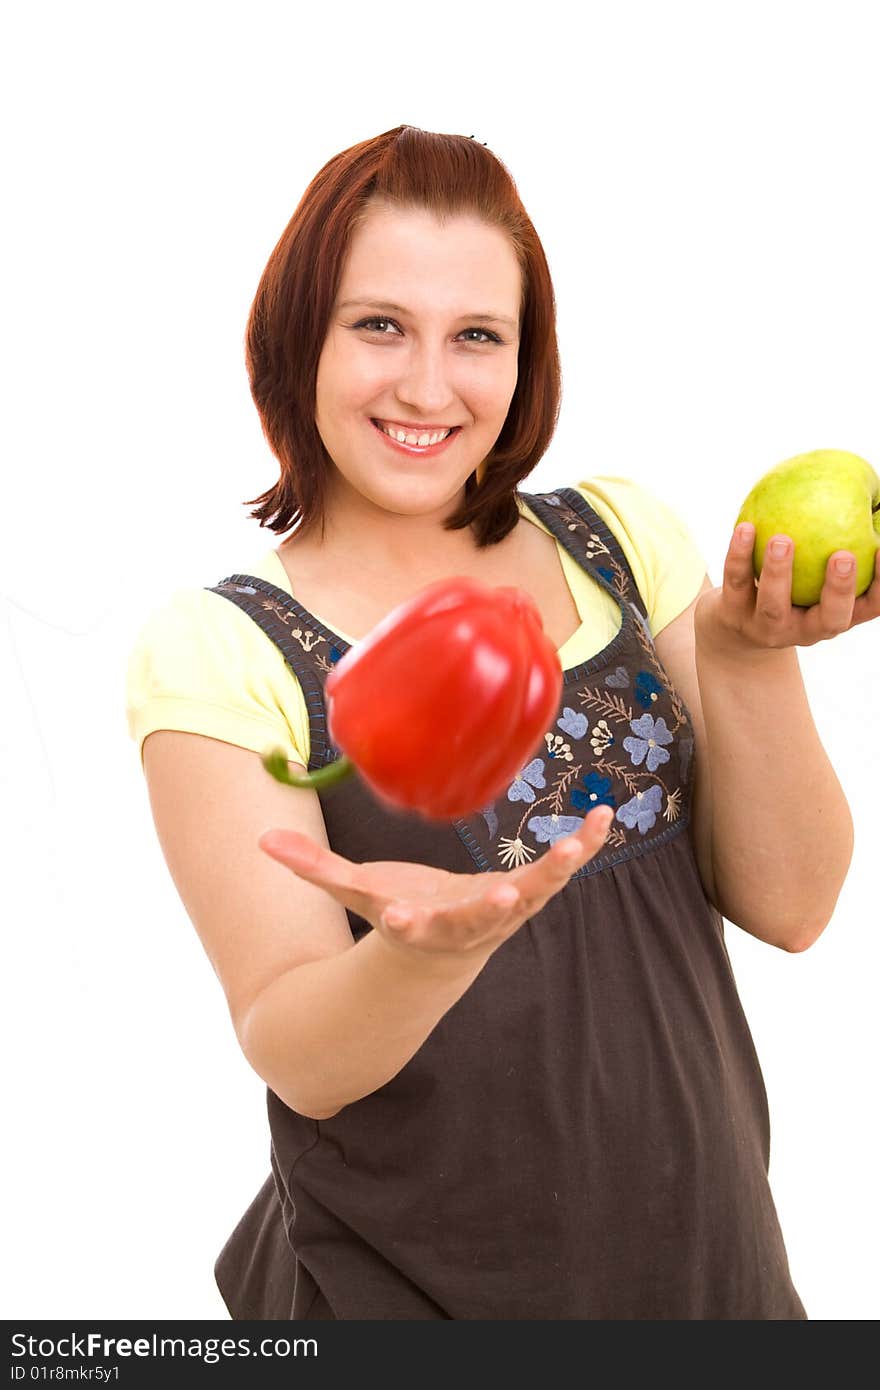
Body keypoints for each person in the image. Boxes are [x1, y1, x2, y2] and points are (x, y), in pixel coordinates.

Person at [125, 124, 877, 1321]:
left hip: (712, 1283)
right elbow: (297, 1052)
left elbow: (792, 904)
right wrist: (421, 956)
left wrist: (741, 656)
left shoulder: (618, 543)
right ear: (295, 340)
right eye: (379, 325)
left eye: (477, 335)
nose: (429, 386)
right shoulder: (227, 648)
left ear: (526, 361)